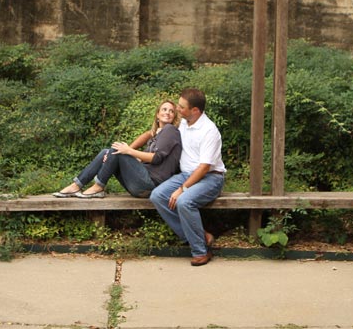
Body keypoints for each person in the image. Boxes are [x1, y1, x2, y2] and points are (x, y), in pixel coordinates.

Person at [150, 88, 225, 266]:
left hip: (210, 177)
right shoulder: (184, 122)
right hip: (185, 174)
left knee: (184, 201)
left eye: (182, 107)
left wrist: (182, 189)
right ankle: (200, 236)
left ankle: (200, 251)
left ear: (195, 111)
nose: (177, 109)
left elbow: (204, 167)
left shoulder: (209, 131)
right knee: (157, 196)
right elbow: (157, 134)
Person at [53, 100, 182, 199]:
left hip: (151, 184)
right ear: (158, 115)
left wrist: (128, 151)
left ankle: (98, 187)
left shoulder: (170, 130)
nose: (167, 112)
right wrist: (115, 156)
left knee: (118, 151)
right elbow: (148, 142)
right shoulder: (158, 134)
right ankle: (77, 185)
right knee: (107, 151)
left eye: (171, 111)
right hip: (141, 185)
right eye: (164, 109)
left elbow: (157, 157)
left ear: (174, 116)